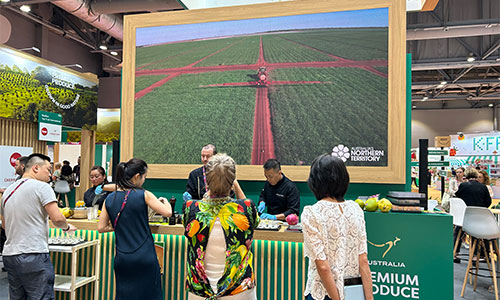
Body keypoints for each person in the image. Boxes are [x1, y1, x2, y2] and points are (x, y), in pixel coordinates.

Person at [1, 153, 77, 299]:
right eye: (48, 170)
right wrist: (66, 227)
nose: (50, 175)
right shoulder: (42, 187)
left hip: (10, 255)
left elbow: (4, 225)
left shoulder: (8, 191)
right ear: (36, 168)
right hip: (33, 253)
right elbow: (57, 218)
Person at [183, 153, 258, 299]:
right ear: (232, 183)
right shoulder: (246, 208)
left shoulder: (190, 208)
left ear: (206, 182)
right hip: (239, 291)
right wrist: (234, 185)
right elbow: (252, 216)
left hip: (200, 292)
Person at [97, 158, 172, 300]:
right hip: (145, 257)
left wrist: (117, 227)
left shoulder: (110, 199)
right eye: (144, 177)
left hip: (122, 259)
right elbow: (167, 213)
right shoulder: (144, 194)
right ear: (137, 177)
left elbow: (101, 227)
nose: (144, 180)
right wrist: (166, 202)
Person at [301, 154, 373, 300]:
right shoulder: (355, 209)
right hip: (354, 292)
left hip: (324, 293)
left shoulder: (312, 213)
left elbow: (323, 267)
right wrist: (369, 297)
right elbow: (363, 260)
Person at [453, 168, 492, 263]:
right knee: (479, 232)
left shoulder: (463, 185)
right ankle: (478, 255)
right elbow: (488, 202)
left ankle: (455, 252)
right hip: (479, 217)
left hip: (464, 217)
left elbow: (457, 197)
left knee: (458, 231)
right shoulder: (483, 187)